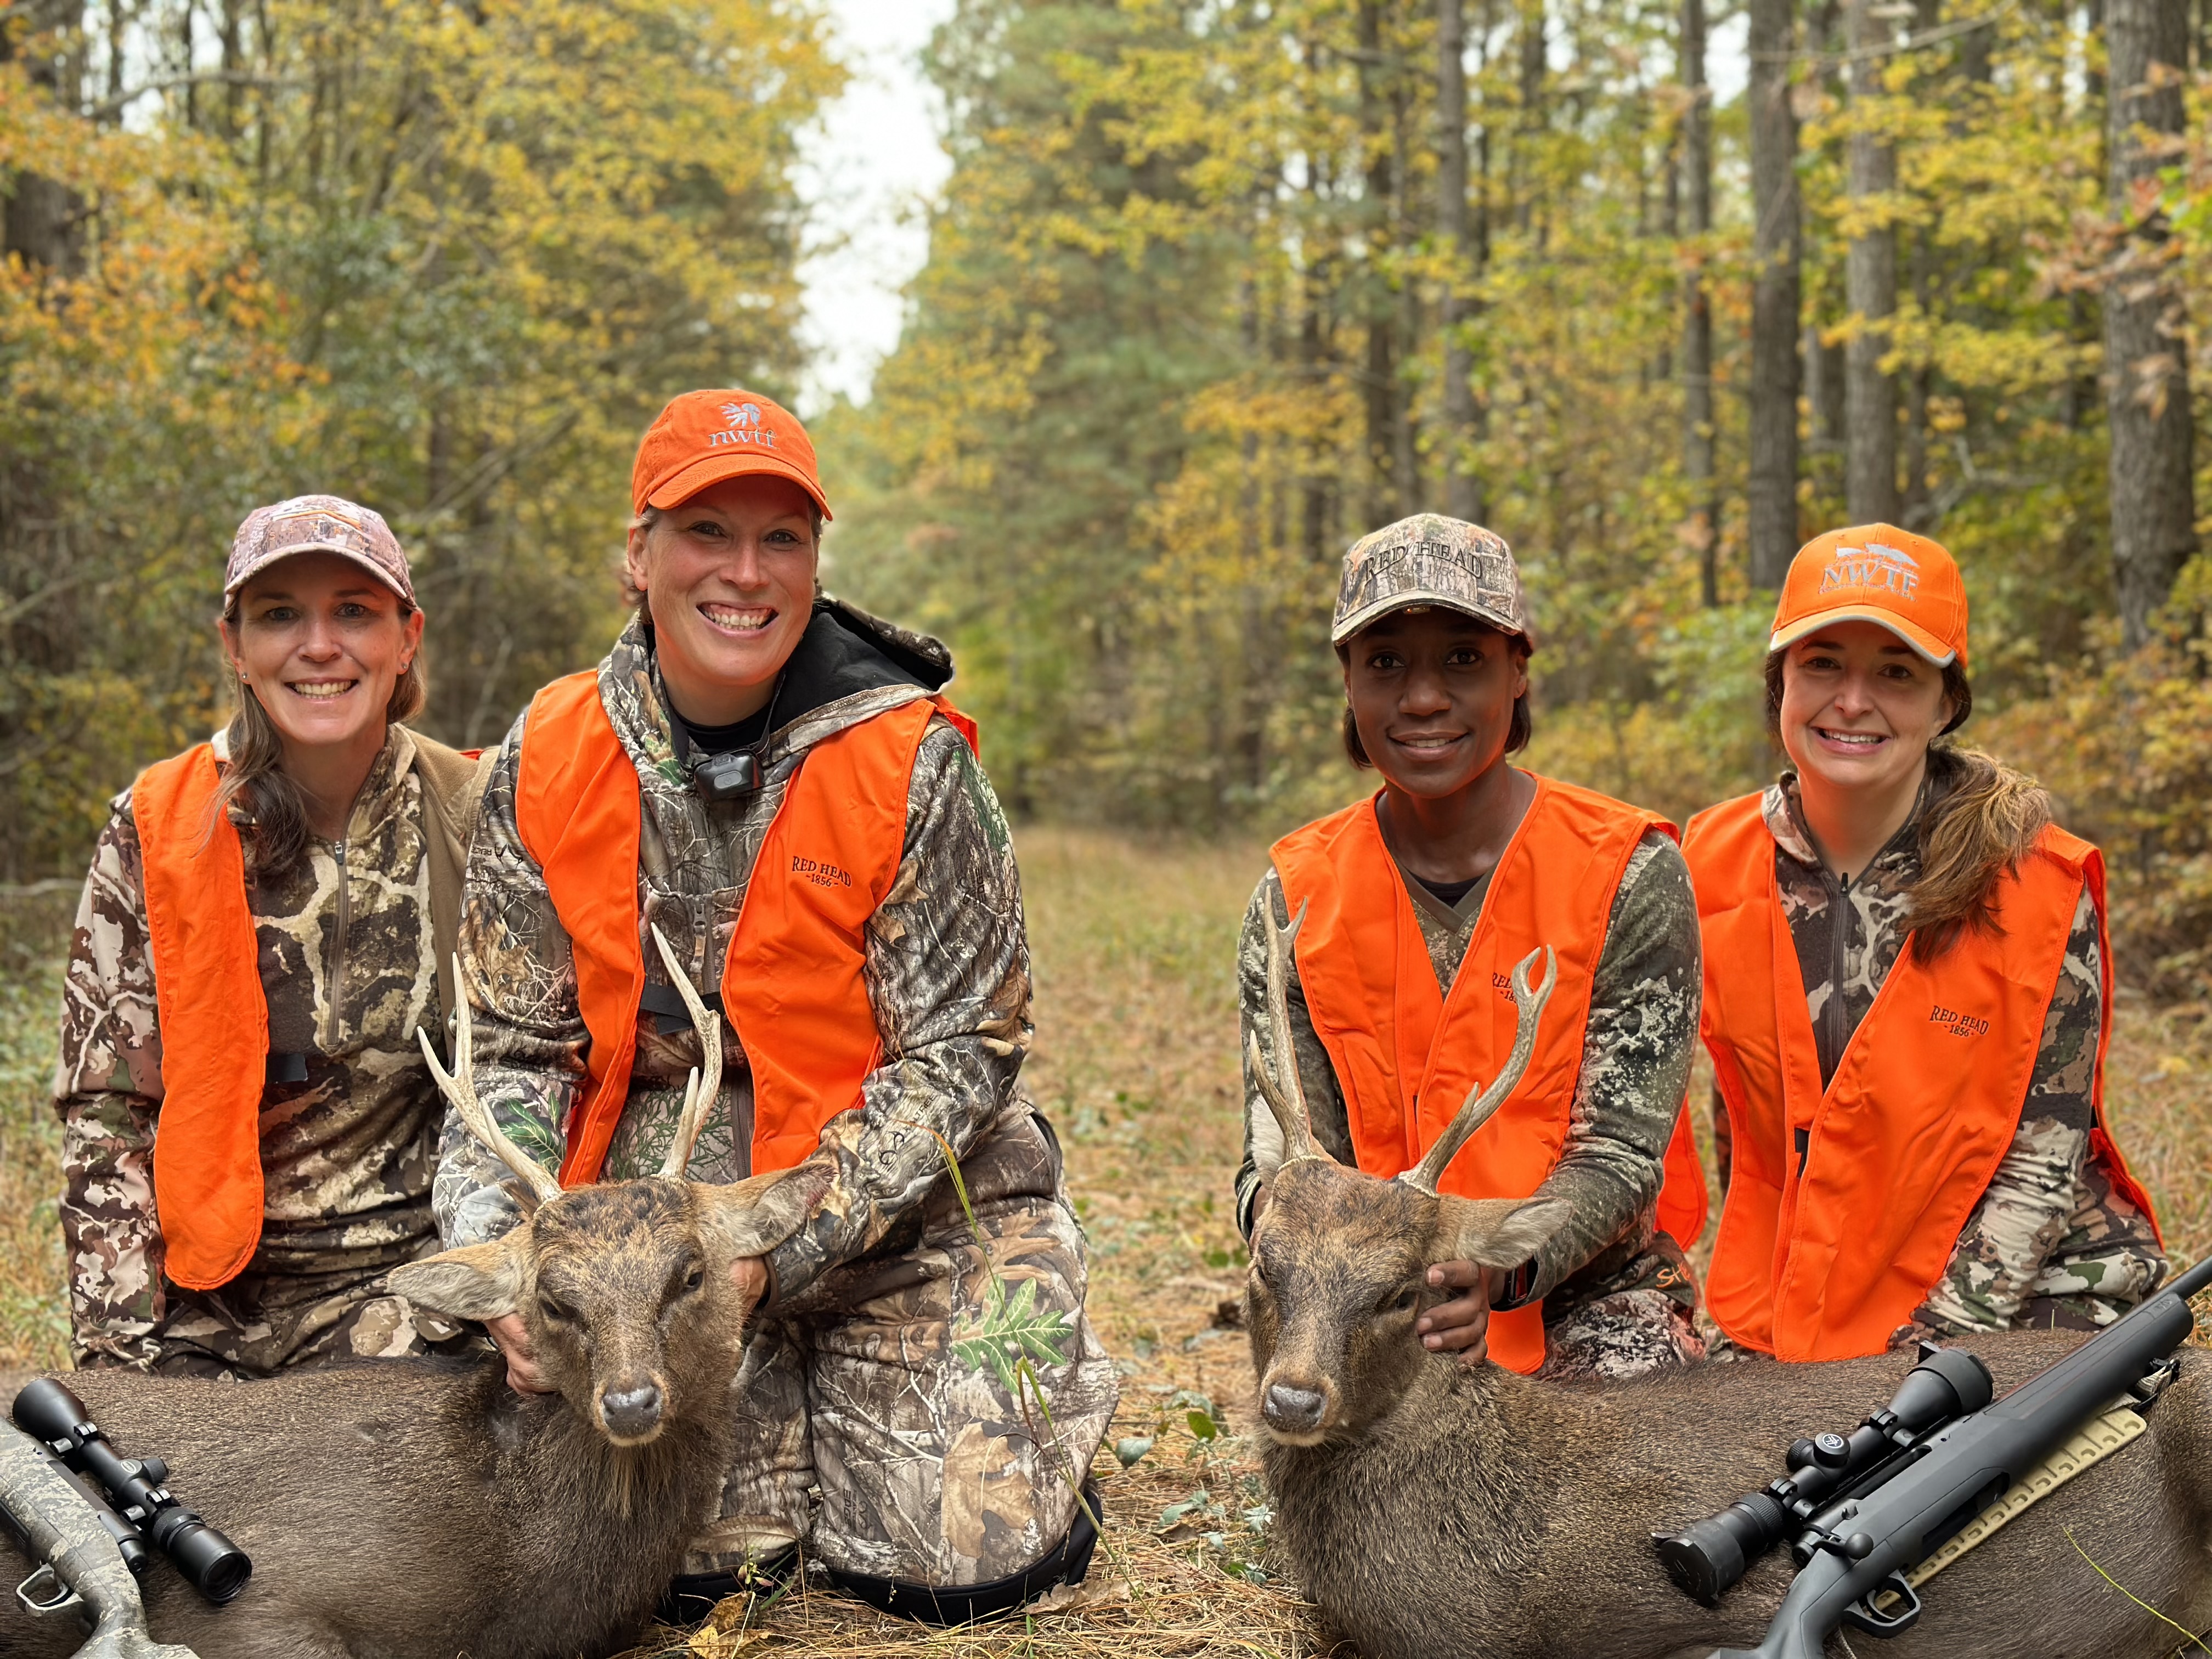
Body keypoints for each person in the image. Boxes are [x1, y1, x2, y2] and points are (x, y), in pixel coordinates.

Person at [433, 388, 1116, 1624]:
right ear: (639, 555)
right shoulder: (548, 752)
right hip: (650, 1253)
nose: (744, 574)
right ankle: (795, 1415)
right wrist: (517, 1267)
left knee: (965, 1558)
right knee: (670, 1568)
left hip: (891, 1211)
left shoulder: (909, 758)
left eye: (781, 539)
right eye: (706, 532)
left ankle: (986, 1408)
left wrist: (775, 1258)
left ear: (813, 561)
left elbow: (963, 1053)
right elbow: (514, 1056)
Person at [1233, 515, 1712, 1382]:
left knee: (1622, 1457)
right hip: (1376, 1300)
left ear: (1516, 670)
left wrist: (1496, 1269)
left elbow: (1621, 1154)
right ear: (1348, 681)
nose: (1422, 698)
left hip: (1584, 1294)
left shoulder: (1628, 873)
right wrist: (1310, 1244)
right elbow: (1280, 1163)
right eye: (1386, 663)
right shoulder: (1296, 901)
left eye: (1462, 659)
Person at [1683, 524, 2167, 1363]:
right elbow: (1748, 1137)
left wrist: (1924, 1358)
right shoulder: (1706, 863)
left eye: (1896, 672)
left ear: (1946, 704)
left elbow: (2040, 1164)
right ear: (1780, 683)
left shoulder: (2035, 885)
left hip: (2025, 1291)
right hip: (1795, 1297)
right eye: (1822, 663)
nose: (1852, 701)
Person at [53, 495, 490, 1376]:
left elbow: (534, 1073)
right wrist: (121, 1358)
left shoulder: (475, 815)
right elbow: (107, 1112)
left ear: (407, 638)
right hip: (209, 1305)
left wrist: (493, 1303)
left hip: (416, 1300)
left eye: (354, 612)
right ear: (236, 647)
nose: (319, 646)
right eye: (280, 615)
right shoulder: (160, 826)